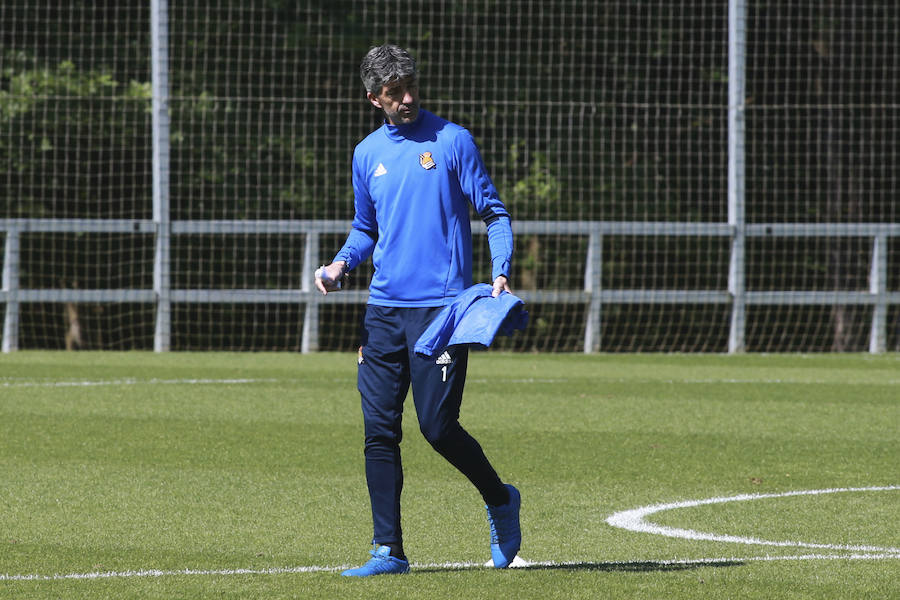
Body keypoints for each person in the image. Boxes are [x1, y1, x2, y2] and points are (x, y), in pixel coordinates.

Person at [315, 44, 521, 577]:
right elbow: (365, 229)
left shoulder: (453, 141)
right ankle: (388, 551)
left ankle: (500, 498)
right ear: (373, 99)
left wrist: (500, 270)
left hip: (442, 312)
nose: (406, 97)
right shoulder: (366, 154)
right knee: (378, 431)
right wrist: (340, 265)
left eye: (410, 85)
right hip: (383, 311)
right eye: (393, 92)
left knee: (437, 428)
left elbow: (494, 213)